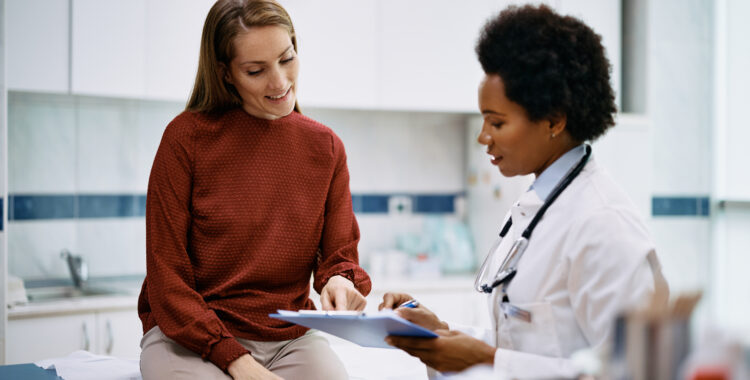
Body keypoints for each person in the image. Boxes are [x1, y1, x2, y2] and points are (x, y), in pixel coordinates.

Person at [380, 4, 669, 379]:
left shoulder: (604, 225)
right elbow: (526, 344)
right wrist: (441, 335)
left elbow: (636, 372)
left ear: (553, 120)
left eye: (496, 122)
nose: (483, 137)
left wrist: (486, 360)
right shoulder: (536, 208)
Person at [137, 1, 371, 379]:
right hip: (188, 337)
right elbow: (167, 280)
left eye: (287, 59)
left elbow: (339, 254)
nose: (279, 82)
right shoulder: (185, 140)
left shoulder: (326, 148)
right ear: (225, 73)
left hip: (287, 338)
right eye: (256, 70)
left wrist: (341, 282)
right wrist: (238, 362)